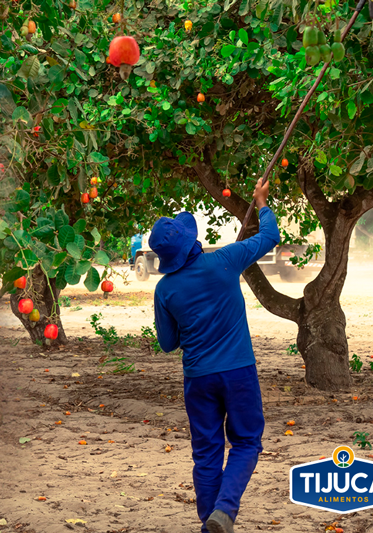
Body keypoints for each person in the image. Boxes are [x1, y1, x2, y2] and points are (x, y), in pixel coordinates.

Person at [149, 177, 278, 533]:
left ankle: (211, 524)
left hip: (198, 379)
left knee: (206, 451)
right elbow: (269, 238)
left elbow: (167, 343)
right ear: (193, 242)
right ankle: (224, 510)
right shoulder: (225, 260)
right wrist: (262, 202)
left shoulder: (165, 289)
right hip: (238, 372)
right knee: (247, 441)